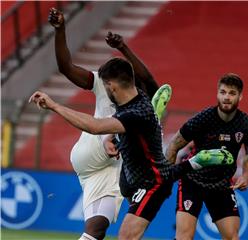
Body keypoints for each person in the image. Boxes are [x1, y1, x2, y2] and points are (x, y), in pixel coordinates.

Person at [29, 57, 234, 240]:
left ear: (112, 86)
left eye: (106, 87)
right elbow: (120, 124)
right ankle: (195, 160)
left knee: (126, 236)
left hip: (150, 184)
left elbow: (93, 126)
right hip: (133, 176)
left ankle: (196, 161)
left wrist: (54, 106)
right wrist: (112, 138)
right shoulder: (133, 100)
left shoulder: (135, 113)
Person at [48, 8, 172, 240]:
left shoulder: (142, 101)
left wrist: (124, 48)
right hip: (93, 154)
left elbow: (149, 81)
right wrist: (60, 30)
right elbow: (66, 68)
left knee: (96, 230)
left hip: (113, 169)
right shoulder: (106, 82)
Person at [166, 73, 248, 240]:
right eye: (223, 92)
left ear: (240, 96)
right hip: (192, 182)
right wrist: (166, 179)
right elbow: (174, 145)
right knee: (184, 237)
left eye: (232, 93)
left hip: (221, 185)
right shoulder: (203, 119)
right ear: (217, 94)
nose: (227, 97)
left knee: (232, 237)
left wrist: (245, 176)